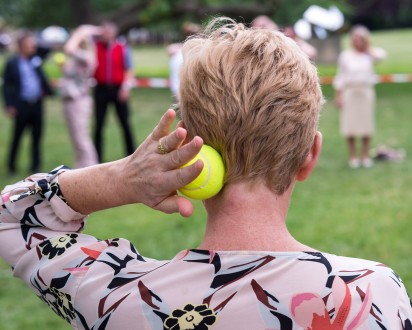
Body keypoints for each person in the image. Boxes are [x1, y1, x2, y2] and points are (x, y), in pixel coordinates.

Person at [1, 18, 411, 329]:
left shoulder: (121, 300)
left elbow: (12, 215)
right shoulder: (371, 294)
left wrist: (122, 178)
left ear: (187, 150)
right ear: (310, 155)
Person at [334, 25, 386, 169]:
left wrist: (367, 49)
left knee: (365, 125)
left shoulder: (369, 55)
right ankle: (353, 156)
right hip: (350, 92)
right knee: (350, 125)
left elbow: (382, 56)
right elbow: (341, 77)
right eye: (354, 39)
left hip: (365, 92)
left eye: (360, 39)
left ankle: (365, 155)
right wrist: (338, 95)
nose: (356, 42)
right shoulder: (345, 56)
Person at [2, 30, 54, 176]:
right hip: (21, 105)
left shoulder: (36, 58)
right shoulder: (12, 63)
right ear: (21, 45)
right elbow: (7, 86)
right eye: (29, 43)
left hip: (36, 104)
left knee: (37, 136)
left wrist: (35, 44)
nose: (32, 46)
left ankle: (35, 166)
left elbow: (48, 50)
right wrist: (9, 104)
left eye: (33, 44)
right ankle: (11, 166)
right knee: (17, 136)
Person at [93, 21, 136, 163]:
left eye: (109, 31)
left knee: (125, 123)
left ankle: (131, 155)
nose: (106, 35)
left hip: (118, 88)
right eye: (104, 32)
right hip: (101, 89)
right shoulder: (94, 47)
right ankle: (96, 158)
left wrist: (125, 87)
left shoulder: (122, 48)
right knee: (98, 125)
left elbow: (129, 69)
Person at [59, 25, 100, 168]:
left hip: (78, 101)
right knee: (77, 139)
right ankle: (82, 167)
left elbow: (68, 48)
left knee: (81, 139)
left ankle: (89, 167)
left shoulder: (87, 55)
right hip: (72, 100)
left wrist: (80, 32)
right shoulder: (80, 55)